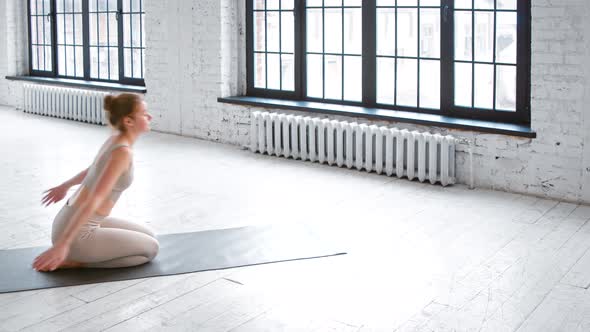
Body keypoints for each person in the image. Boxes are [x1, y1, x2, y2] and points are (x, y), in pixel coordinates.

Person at [33, 93, 159, 272]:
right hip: (78, 235)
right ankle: (75, 260)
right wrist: (63, 245)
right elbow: (95, 199)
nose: (150, 116)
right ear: (129, 121)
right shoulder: (122, 152)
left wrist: (65, 186)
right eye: (144, 113)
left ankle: (73, 251)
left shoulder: (115, 140)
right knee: (151, 250)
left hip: (67, 222)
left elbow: (91, 170)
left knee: (150, 236)